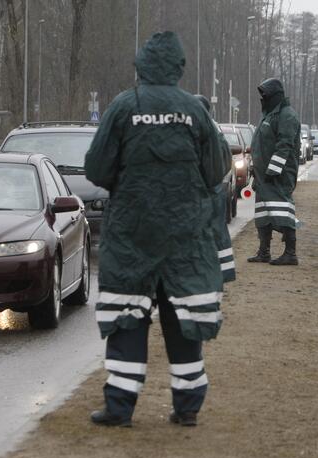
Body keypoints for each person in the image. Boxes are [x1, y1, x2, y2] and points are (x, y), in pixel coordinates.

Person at [84, 31, 225, 428]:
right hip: (185, 240)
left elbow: (96, 168)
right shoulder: (196, 112)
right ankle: (188, 408)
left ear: (141, 66)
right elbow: (217, 170)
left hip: (133, 236)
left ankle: (119, 407)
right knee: (185, 320)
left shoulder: (124, 106)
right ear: (178, 67)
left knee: (127, 318)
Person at [247, 78, 301, 266]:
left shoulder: (287, 115)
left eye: (265, 95)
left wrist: (273, 169)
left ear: (275, 96)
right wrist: (256, 167)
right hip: (263, 176)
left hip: (279, 175)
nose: (262, 99)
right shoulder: (268, 114)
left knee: (282, 211)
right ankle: (264, 251)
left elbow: (285, 145)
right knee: (263, 213)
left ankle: (290, 253)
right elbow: (262, 144)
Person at [194, 94, 236, 283]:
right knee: (217, 232)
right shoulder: (214, 129)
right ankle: (223, 271)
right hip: (215, 190)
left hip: (205, 191)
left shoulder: (200, 129)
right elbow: (227, 161)